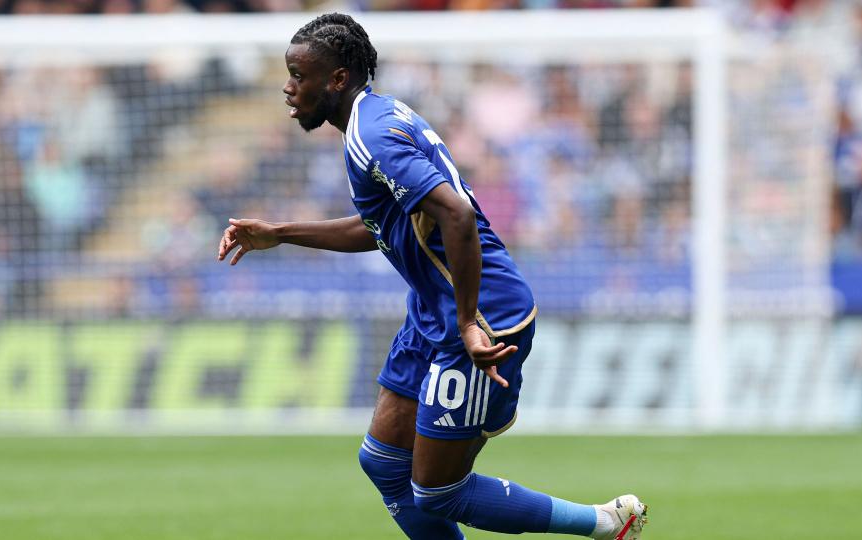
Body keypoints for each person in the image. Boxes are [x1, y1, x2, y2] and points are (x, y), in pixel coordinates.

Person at [217, 13, 648, 540]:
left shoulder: (373, 136)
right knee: (383, 462)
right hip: (433, 308)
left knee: (439, 491)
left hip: (484, 313)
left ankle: (606, 523)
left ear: (337, 78)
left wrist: (467, 322)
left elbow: (457, 214)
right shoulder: (375, 118)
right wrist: (280, 233)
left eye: (298, 75)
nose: (288, 87)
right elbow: (382, 226)